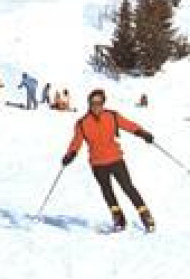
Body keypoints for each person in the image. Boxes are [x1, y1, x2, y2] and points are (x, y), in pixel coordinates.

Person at [62, 88, 157, 232]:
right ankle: (118, 218)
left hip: (115, 159)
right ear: (89, 104)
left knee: (128, 187)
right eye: (93, 103)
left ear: (103, 103)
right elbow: (76, 142)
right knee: (107, 191)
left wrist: (143, 133)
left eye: (99, 103)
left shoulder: (112, 116)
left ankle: (145, 215)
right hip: (98, 163)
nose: (96, 106)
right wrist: (70, 154)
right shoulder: (82, 123)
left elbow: (129, 125)